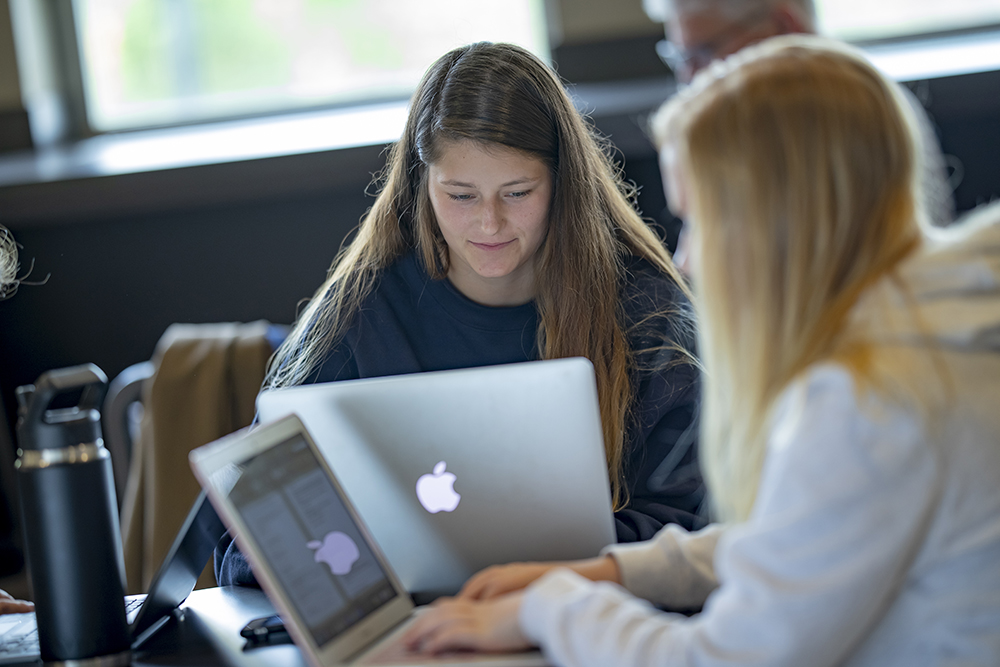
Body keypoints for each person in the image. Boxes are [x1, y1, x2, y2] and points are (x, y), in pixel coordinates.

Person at [400, 35, 1000, 666]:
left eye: (699, 219)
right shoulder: (939, 339)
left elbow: (722, 660)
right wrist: (605, 574)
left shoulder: (868, 405)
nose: (685, 258)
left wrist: (550, 606)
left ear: (774, 221)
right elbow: (785, 545)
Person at [216, 42, 705, 585]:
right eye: (461, 195)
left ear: (564, 185)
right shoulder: (358, 312)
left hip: (585, 622)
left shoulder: (646, 314)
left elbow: (689, 532)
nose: (490, 224)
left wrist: (530, 581)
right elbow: (248, 545)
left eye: (517, 192)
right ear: (422, 186)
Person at [644, 0, 954, 274]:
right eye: (680, 59)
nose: (691, 79)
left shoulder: (848, 123)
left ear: (784, 25)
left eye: (703, 53)